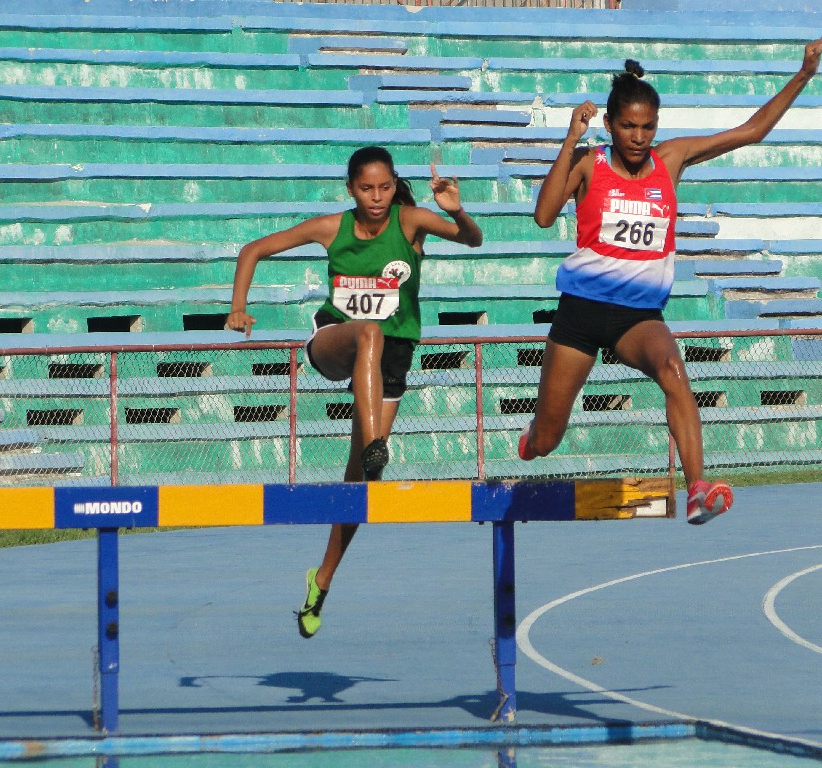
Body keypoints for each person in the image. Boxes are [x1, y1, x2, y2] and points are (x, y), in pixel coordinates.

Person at [525, 39, 822, 525]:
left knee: (672, 367)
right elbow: (542, 216)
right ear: (609, 125)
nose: (638, 137)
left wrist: (805, 73)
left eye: (647, 127)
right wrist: (568, 139)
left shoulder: (671, 160)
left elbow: (752, 131)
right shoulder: (589, 161)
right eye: (627, 126)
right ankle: (532, 435)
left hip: (638, 317)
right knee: (547, 439)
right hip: (580, 311)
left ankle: (698, 487)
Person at [227, 146, 483, 638]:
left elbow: (471, 239)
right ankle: (372, 447)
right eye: (366, 189)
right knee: (367, 330)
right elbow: (252, 250)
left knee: (359, 485)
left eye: (385, 187)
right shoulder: (331, 228)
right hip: (336, 342)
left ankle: (320, 580)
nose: (377, 197)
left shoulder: (411, 222)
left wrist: (457, 211)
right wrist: (237, 307)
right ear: (350, 189)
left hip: (391, 359)